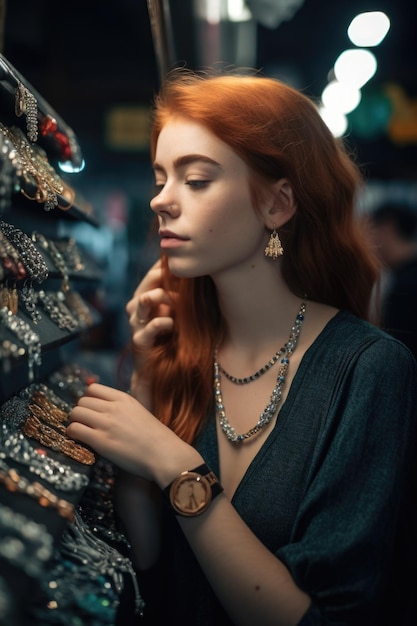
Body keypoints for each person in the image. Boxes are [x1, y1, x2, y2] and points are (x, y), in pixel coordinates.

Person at [67, 70, 417, 626]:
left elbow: (318, 617)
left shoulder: (367, 369)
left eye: (196, 180)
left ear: (277, 206)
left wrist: (175, 463)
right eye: (160, 178)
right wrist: (146, 387)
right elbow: (149, 570)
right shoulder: (182, 351)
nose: (161, 200)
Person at [364, 202, 417, 360]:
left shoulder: (405, 287)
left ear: (386, 229)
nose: (367, 243)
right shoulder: (404, 279)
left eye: (370, 231)